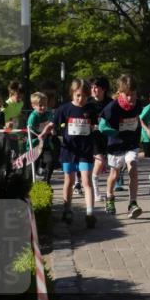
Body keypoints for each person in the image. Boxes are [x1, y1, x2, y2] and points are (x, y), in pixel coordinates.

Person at [99, 74, 145, 220]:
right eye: (127, 94)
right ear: (120, 93)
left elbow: (142, 118)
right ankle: (109, 198)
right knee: (114, 174)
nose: (131, 98)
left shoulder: (138, 104)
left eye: (133, 94)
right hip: (116, 145)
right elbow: (101, 125)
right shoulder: (112, 107)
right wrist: (113, 132)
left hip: (131, 143)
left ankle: (132, 203)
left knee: (133, 169)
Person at [52, 79, 98, 226]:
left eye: (84, 96)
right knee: (69, 181)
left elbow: (97, 125)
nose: (81, 98)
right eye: (78, 95)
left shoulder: (91, 109)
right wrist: (48, 131)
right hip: (69, 151)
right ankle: (67, 210)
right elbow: (53, 124)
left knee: (86, 181)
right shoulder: (64, 109)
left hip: (85, 151)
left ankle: (90, 213)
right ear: (72, 94)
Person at [27, 92, 55, 182]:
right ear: (33, 106)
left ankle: (46, 181)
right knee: (33, 166)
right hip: (35, 144)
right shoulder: (33, 117)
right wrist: (37, 135)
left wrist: (52, 130)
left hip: (46, 144)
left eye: (45, 105)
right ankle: (30, 183)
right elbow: (30, 131)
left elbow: (52, 123)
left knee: (50, 161)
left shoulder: (48, 113)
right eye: (40, 105)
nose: (43, 107)